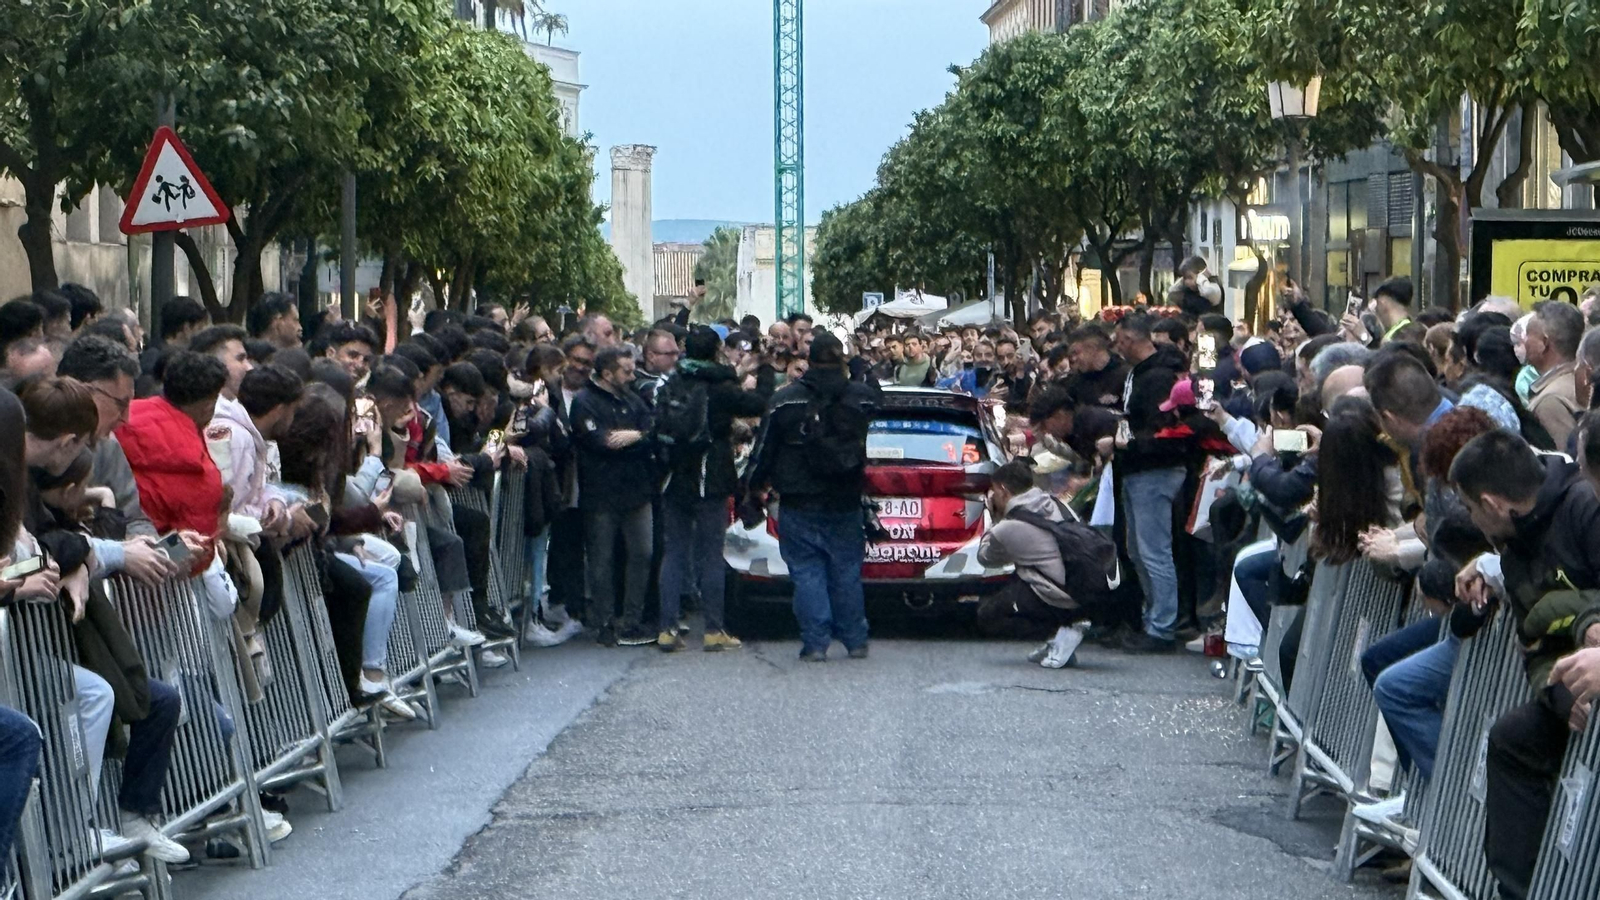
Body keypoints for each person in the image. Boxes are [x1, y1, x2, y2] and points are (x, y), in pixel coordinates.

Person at [17, 377, 191, 864]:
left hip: (70, 639)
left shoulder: (32, 481)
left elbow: (60, 545)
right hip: (41, 647)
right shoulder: (21, 479)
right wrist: (68, 562)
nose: (124, 420)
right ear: (70, 443)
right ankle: (67, 839)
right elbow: (44, 547)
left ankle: (125, 821)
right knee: (93, 699)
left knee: (159, 698)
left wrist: (78, 554)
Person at [1449, 426, 1600, 899]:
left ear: (1493, 503)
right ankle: (1518, 891)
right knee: (1512, 739)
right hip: (1574, 690)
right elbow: (1531, 644)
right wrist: (1557, 695)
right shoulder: (1512, 551)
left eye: (1473, 510)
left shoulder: (1584, 509)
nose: (1474, 523)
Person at [743, 333, 876, 661]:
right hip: (846, 496)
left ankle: (816, 643)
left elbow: (763, 451)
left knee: (807, 571)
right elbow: (879, 402)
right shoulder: (860, 398)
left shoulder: (785, 400)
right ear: (842, 359)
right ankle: (855, 639)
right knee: (846, 570)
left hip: (799, 499)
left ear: (809, 359)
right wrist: (859, 369)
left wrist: (752, 487)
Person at [655, 327, 769, 651]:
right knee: (710, 554)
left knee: (674, 552)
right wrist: (764, 372)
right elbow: (759, 403)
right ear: (717, 350)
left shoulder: (672, 380)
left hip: (674, 474)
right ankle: (714, 629)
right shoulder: (721, 385)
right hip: (710, 471)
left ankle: (667, 628)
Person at [975, 460, 1122, 668]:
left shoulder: (1007, 528)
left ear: (1002, 490)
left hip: (1060, 598)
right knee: (1026, 575)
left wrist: (994, 517)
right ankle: (1062, 637)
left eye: (994, 491)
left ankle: (1061, 632)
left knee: (989, 616)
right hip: (1089, 592)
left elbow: (986, 557)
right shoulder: (1057, 503)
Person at [1109, 314, 1189, 652]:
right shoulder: (1140, 375)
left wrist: (1129, 442)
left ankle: (1162, 627)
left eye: (1118, 340)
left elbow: (1164, 432)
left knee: (1154, 551)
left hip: (1154, 469)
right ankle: (1154, 617)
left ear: (1130, 339)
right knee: (1140, 550)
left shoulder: (1155, 378)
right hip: (1138, 469)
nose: (1116, 347)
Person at [570, 345, 657, 646]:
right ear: (607, 373)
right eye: (627, 370)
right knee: (602, 559)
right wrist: (635, 437)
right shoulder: (585, 402)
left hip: (636, 490)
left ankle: (632, 619)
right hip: (601, 492)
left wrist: (637, 436)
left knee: (643, 552)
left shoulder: (634, 400)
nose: (633, 375)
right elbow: (602, 441)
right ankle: (604, 619)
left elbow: (653, 432)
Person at [1522, 299, 1583, 449]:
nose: (1523, 340)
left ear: (1544, 343)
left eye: (1528, 334)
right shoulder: (1585, 381)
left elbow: (1564, 465)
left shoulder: (1550, 402)